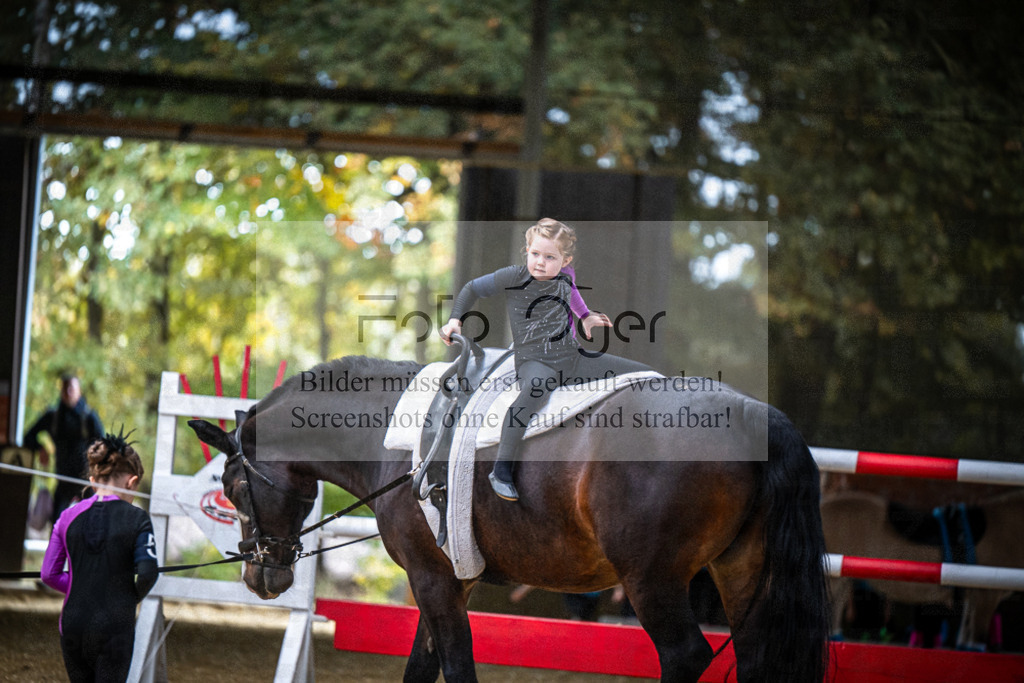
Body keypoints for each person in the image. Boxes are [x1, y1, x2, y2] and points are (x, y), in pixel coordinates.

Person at [440, 218, 654, 501]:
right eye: (535, 254)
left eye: (550, 257)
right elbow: (472, 288)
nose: (540, 262)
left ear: (565, 260)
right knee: (536, 388)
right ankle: (501, 469)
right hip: (534, 361)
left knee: (642, 376)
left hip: (572, 358)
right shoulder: (514, 276)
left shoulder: (566, 276)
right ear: (527, 250)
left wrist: (586, 316)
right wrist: (455, 320)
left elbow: (572, 293)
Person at [41, 430, 158, 683]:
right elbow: (148, 573)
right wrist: (128, 596)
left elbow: (48, 574)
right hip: (115, 625)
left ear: (93, 480)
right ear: (132, 481)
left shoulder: (67, 516)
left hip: (73, 624)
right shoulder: (137, 518)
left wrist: (80, 584)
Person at [23, 374, 104, 522]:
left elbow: (103, 446)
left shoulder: (89, 417)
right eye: (65, 388)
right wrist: (40, 448)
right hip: (62, 481)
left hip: (86, 482)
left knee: (91, 527)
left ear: (79, 391)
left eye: (72, 388)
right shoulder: (52, 417)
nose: (69, 392)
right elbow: (28, 437)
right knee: (56, 526)